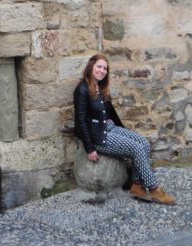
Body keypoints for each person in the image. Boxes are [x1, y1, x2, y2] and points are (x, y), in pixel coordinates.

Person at [73, 53, 176, 205]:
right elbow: (80, 121)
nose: (102, 71)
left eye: (105, 68)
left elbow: (109, 113)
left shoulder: (100, 86)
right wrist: (89, 148)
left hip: (110, 128)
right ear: (91, 67)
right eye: (99, 67)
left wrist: (122, 132)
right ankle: (154, 189)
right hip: (98, 137)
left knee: (144, 143)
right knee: (136, 148)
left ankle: (137, 185)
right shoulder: (81, 90)